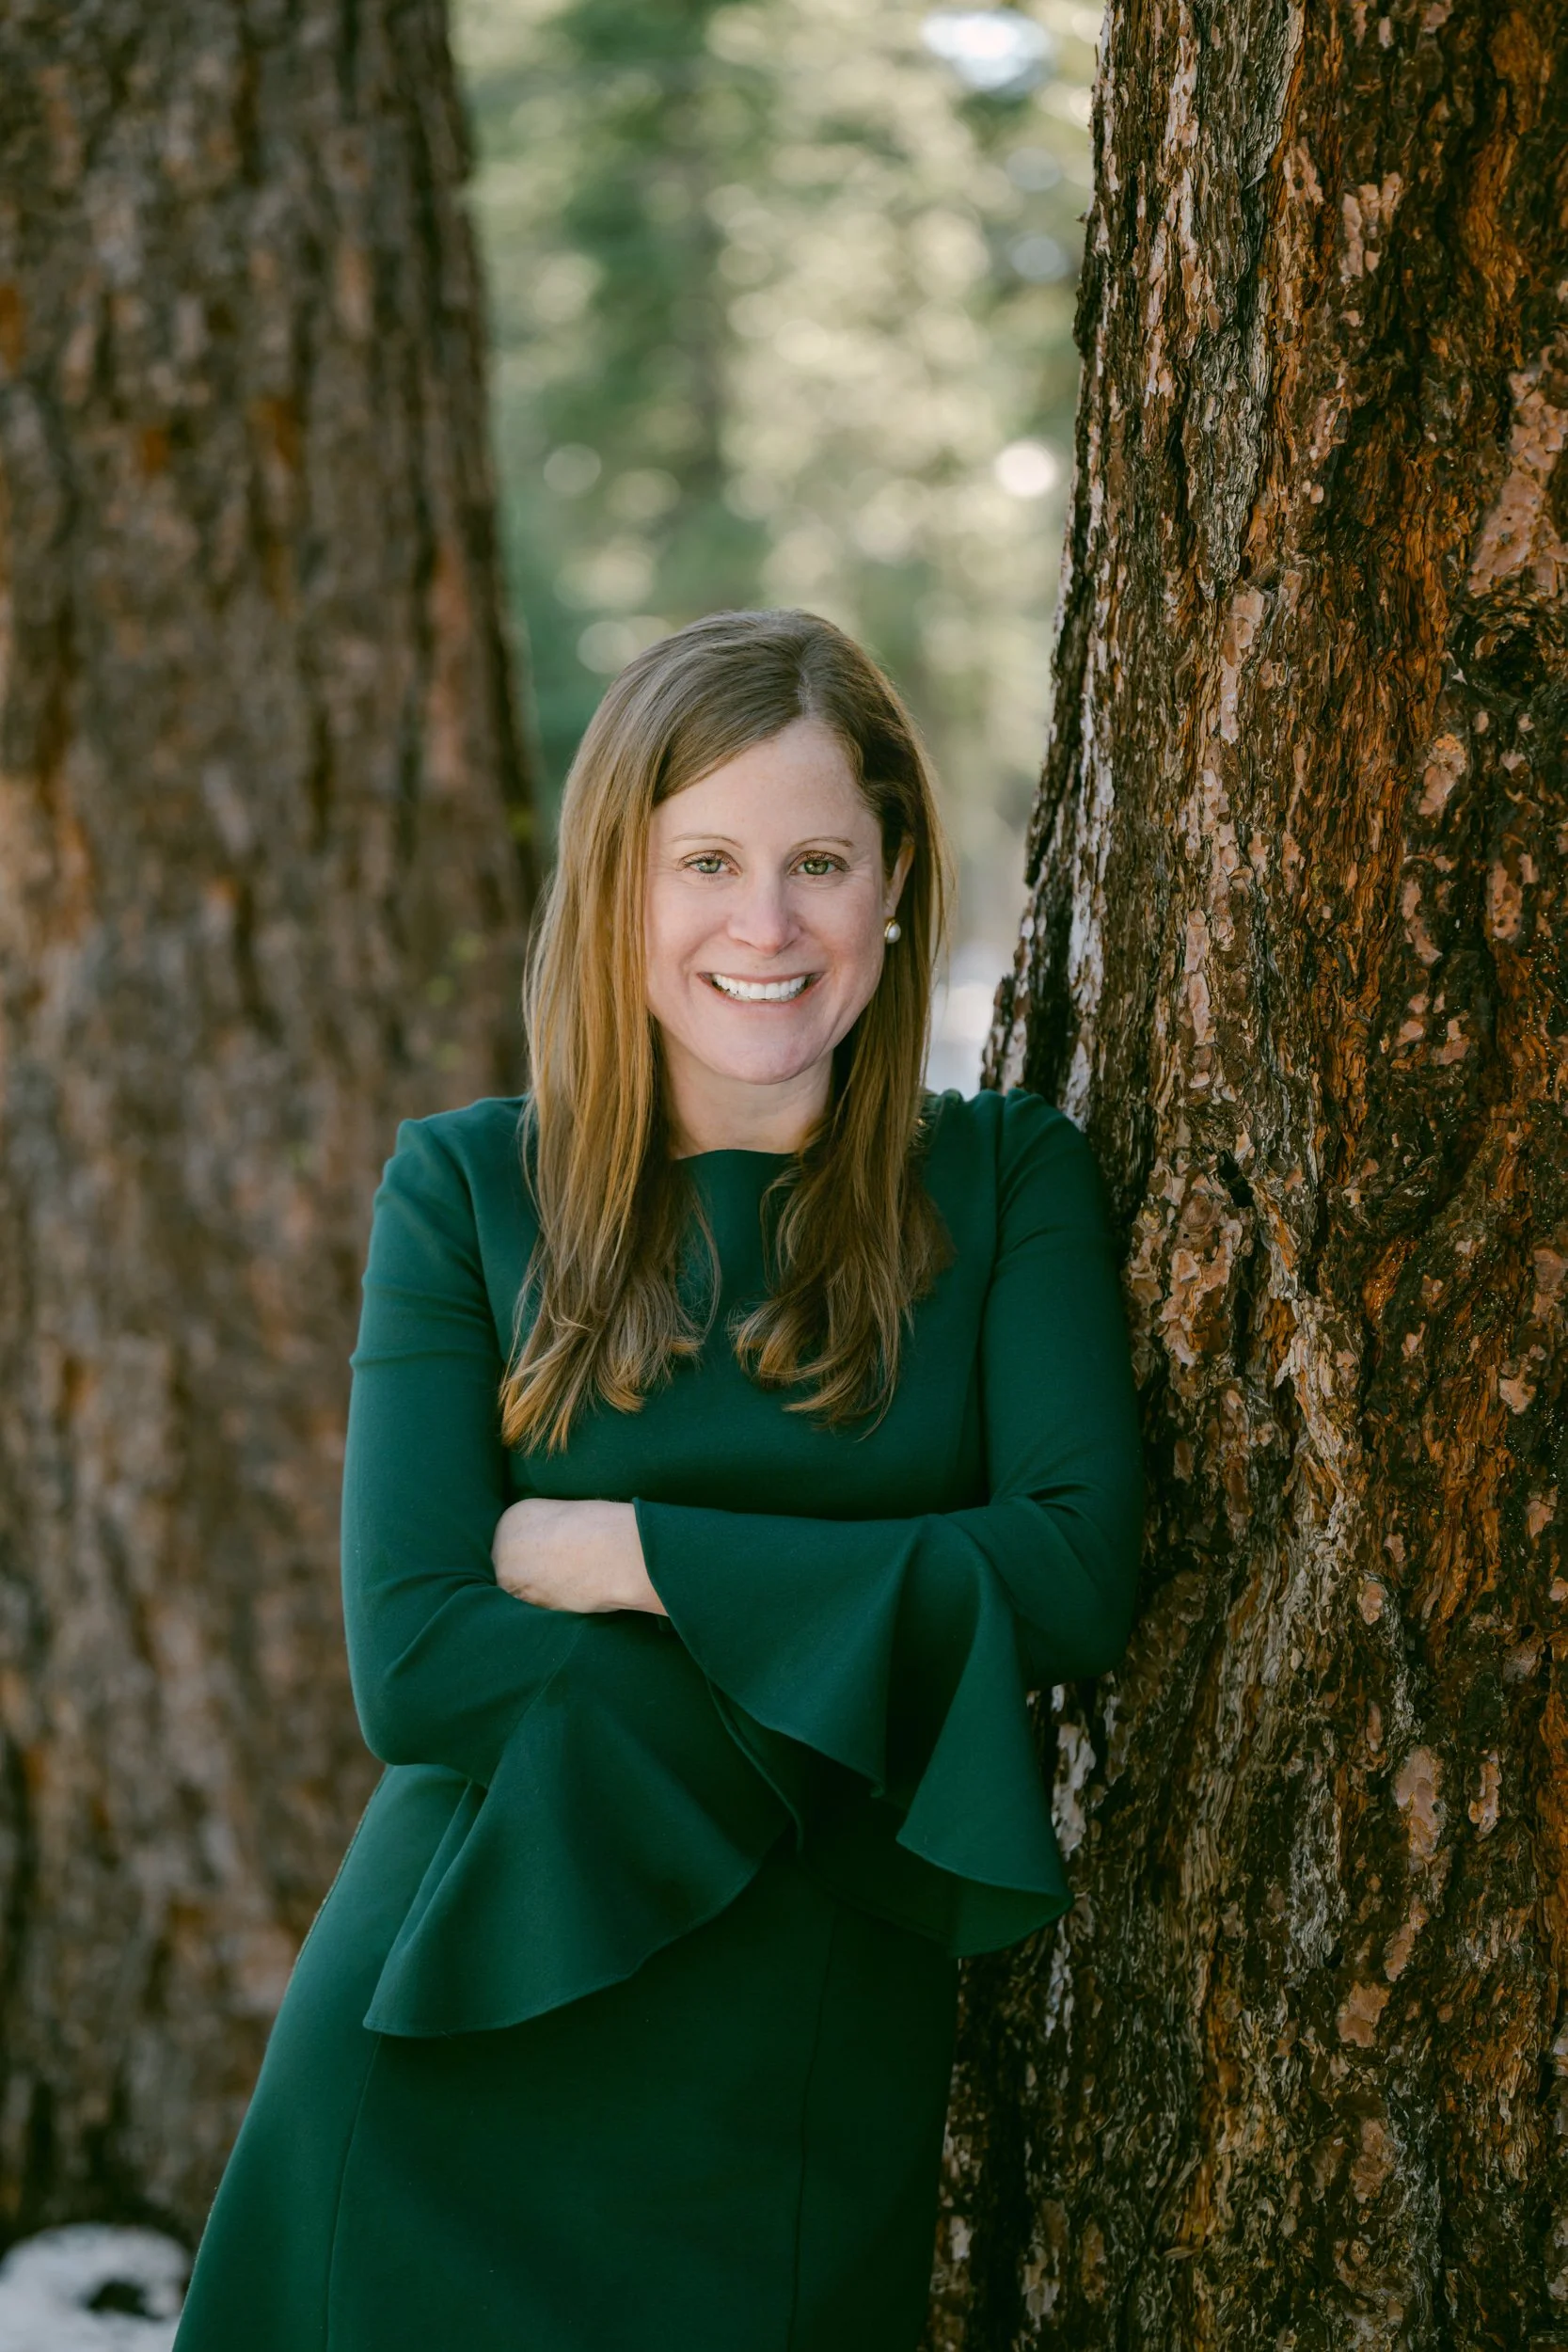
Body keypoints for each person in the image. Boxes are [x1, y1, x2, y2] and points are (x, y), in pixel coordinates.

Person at [172, 607, 1146, 2352]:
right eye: (701, 859)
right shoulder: (467, 1190)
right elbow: (416, 1662)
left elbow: (1072, 1577)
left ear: (896, 880)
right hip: (452, 2025)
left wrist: (633, 1550)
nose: (762, 925)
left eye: (818, 861)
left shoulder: (1008, 1184)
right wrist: (873, 1662)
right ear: (615, 887)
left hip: (794, 2065)